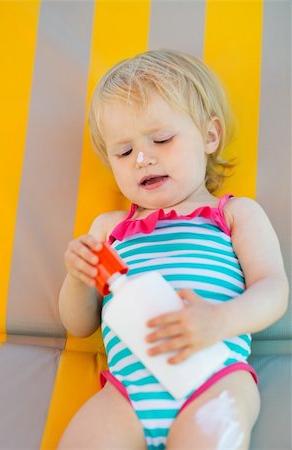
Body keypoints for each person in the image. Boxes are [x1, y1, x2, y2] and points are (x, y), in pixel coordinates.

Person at [57, 49, 288, 450]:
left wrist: (220, 320)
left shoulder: (233, 214)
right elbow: (79, 325)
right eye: (124, 152)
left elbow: (274, 291)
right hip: (128, 392)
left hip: (214, 378)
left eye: (161, 139)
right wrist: (78, 281)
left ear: (209, 136)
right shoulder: (111, 230)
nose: (143, 158)